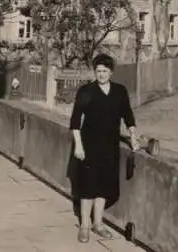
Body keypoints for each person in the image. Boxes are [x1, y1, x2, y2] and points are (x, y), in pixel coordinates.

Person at [69, 53, 139, 243]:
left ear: (111, 72)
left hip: (110, 146)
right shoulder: (86, 91)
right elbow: (75, 121)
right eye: (98, 71)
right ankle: (84, 226)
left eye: (105, 71)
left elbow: (128, 115)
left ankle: (98, 224)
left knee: (103, 187)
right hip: (89, 146)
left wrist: (133, 136)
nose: (101, 75)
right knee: (88, 187)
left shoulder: (119, 91)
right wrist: (78, 146)